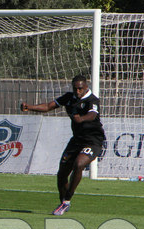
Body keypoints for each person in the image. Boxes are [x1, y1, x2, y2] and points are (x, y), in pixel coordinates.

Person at [20, 75, 105, 216]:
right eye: (75, 88)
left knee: (79, 164)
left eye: (80, 89)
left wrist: (80, 119)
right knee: (62, 175)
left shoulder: (92, 100)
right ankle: (63, 203)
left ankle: (67, 200)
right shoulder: (69, 97)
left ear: (86, 87)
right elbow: (48, 106)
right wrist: (29, 107)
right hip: (76, 141)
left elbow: (92, 115)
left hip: (93, 141)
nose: (77, 91)